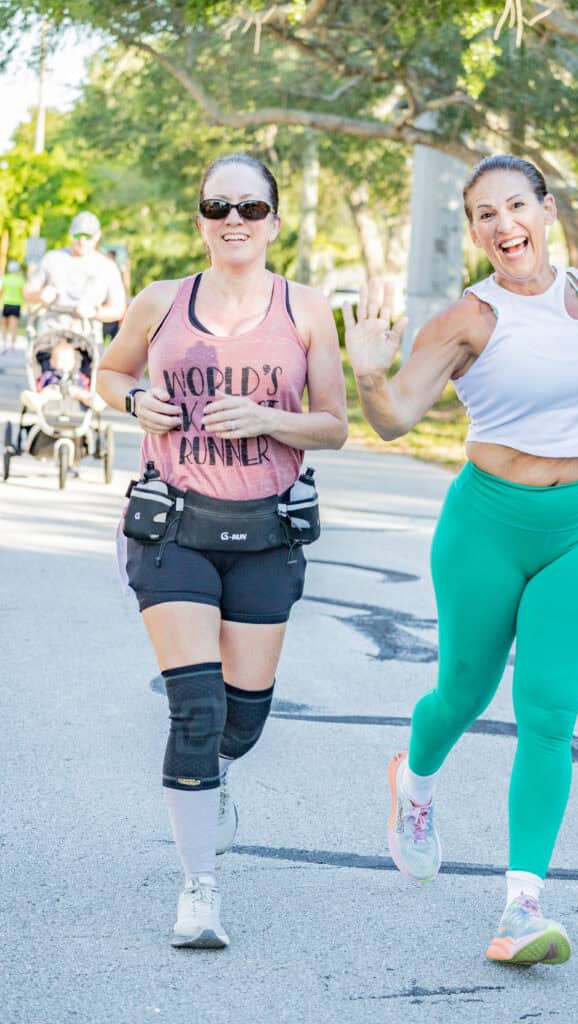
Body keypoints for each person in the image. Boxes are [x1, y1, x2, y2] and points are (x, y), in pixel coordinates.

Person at [343, 154, 578, 966]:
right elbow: (392, 419)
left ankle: (521, 907)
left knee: (547, 711)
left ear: (546, 210)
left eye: (514, 206)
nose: (502, 226)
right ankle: (414, 783)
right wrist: (365, 367)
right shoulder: (465, 320)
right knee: (463, 690)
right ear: (474, 233)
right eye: (482, 215)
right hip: (486, 527)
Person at [96, 153, 347, 950]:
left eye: (249, 206)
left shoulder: (304, 309)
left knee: (241, 720)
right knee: (195, 710)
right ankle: (198, 886)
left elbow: (334, 424)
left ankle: (214, 775)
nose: (232, 219)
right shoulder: (160, 301)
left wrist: (270, 420)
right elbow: (108, 374)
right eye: (216, 206)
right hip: (172, 525)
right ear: (200, 219)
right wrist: (135, 398)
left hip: (266, 531)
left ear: (274, 220)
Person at [23, 211, 126, 376]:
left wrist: (95, 312)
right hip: (51, 334)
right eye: (78, 235)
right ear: (71, 234)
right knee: (46, 379)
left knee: (87, 385)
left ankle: (88, 398)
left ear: (97, 236)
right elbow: (27, 291)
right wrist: (39, 295)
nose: (82, 240)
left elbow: (118, 309)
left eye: (88, 236)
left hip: (86, 339)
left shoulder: (107, 267)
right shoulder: (52, 258)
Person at [1, 259, 26, 352]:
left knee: (4, 325)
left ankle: (4, 344)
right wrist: (25, 305)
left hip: (6, 304)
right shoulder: (21, 279)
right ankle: (12, 345)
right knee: (14, 326)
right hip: (16, 304)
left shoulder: (5, 278)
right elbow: (24, 294)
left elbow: (1, 291)